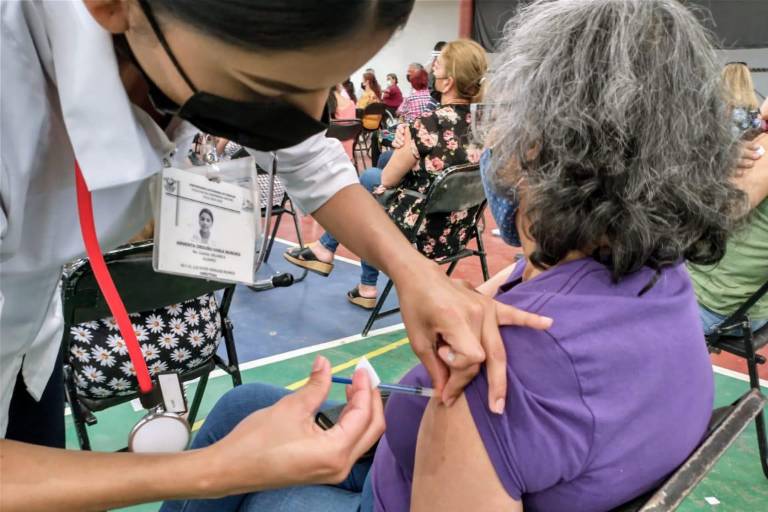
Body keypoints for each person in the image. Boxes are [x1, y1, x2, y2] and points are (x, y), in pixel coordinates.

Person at [164, 1, 748, 508]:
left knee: (239, 438)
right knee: (244, 403)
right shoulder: (659, 277)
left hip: (389, 491)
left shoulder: (499, 374)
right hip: (402, 454)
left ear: (541, 146)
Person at [0, 1, 552, 509]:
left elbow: (311, 161)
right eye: (269, 86)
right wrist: (212, 470)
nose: (307, 117)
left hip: (31, 346)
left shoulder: (189, 47)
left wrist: (414, 273)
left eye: (327, 83)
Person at [285, 39, 488, 309]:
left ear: (448, 82)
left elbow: (388, 180)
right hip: (459, 231)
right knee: (380, 169)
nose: (431, 71)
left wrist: (407, 141)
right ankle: (351, 274)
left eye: (437, 67)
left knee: (370, 181)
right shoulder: (485, 126)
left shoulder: (429, 123)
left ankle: (341, 262)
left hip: (421, 230)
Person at [688, 96, 768, 334]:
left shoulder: (764, 152)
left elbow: (712, 213)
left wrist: (713, 159)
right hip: (749, 305)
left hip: (714, 305)